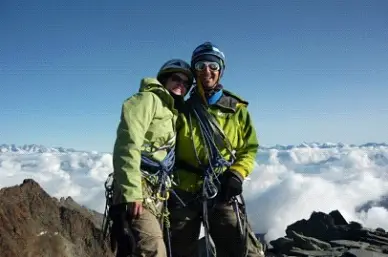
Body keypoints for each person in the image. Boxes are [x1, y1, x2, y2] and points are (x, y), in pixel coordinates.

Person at [168, 42, 265, 257]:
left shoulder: (236, 109)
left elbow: (249, 148)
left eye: (213, 65)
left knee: (237, 248)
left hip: (221, 188)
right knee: (179, 250)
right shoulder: (181, 108)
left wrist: (237, 173)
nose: (207, 71)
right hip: (184, 189)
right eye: (201, 65)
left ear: (220, 71)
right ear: (194, 71)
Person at [106, 59, 193, 257]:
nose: (182, 85)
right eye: (176, 78)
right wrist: (132, 192)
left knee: (136, 249)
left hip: (157, 191)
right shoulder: (147, 100)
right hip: (139, 186)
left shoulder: (172, 112)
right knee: (153, 249)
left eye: (186, 83)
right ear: (164, 79)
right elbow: (128, 144)